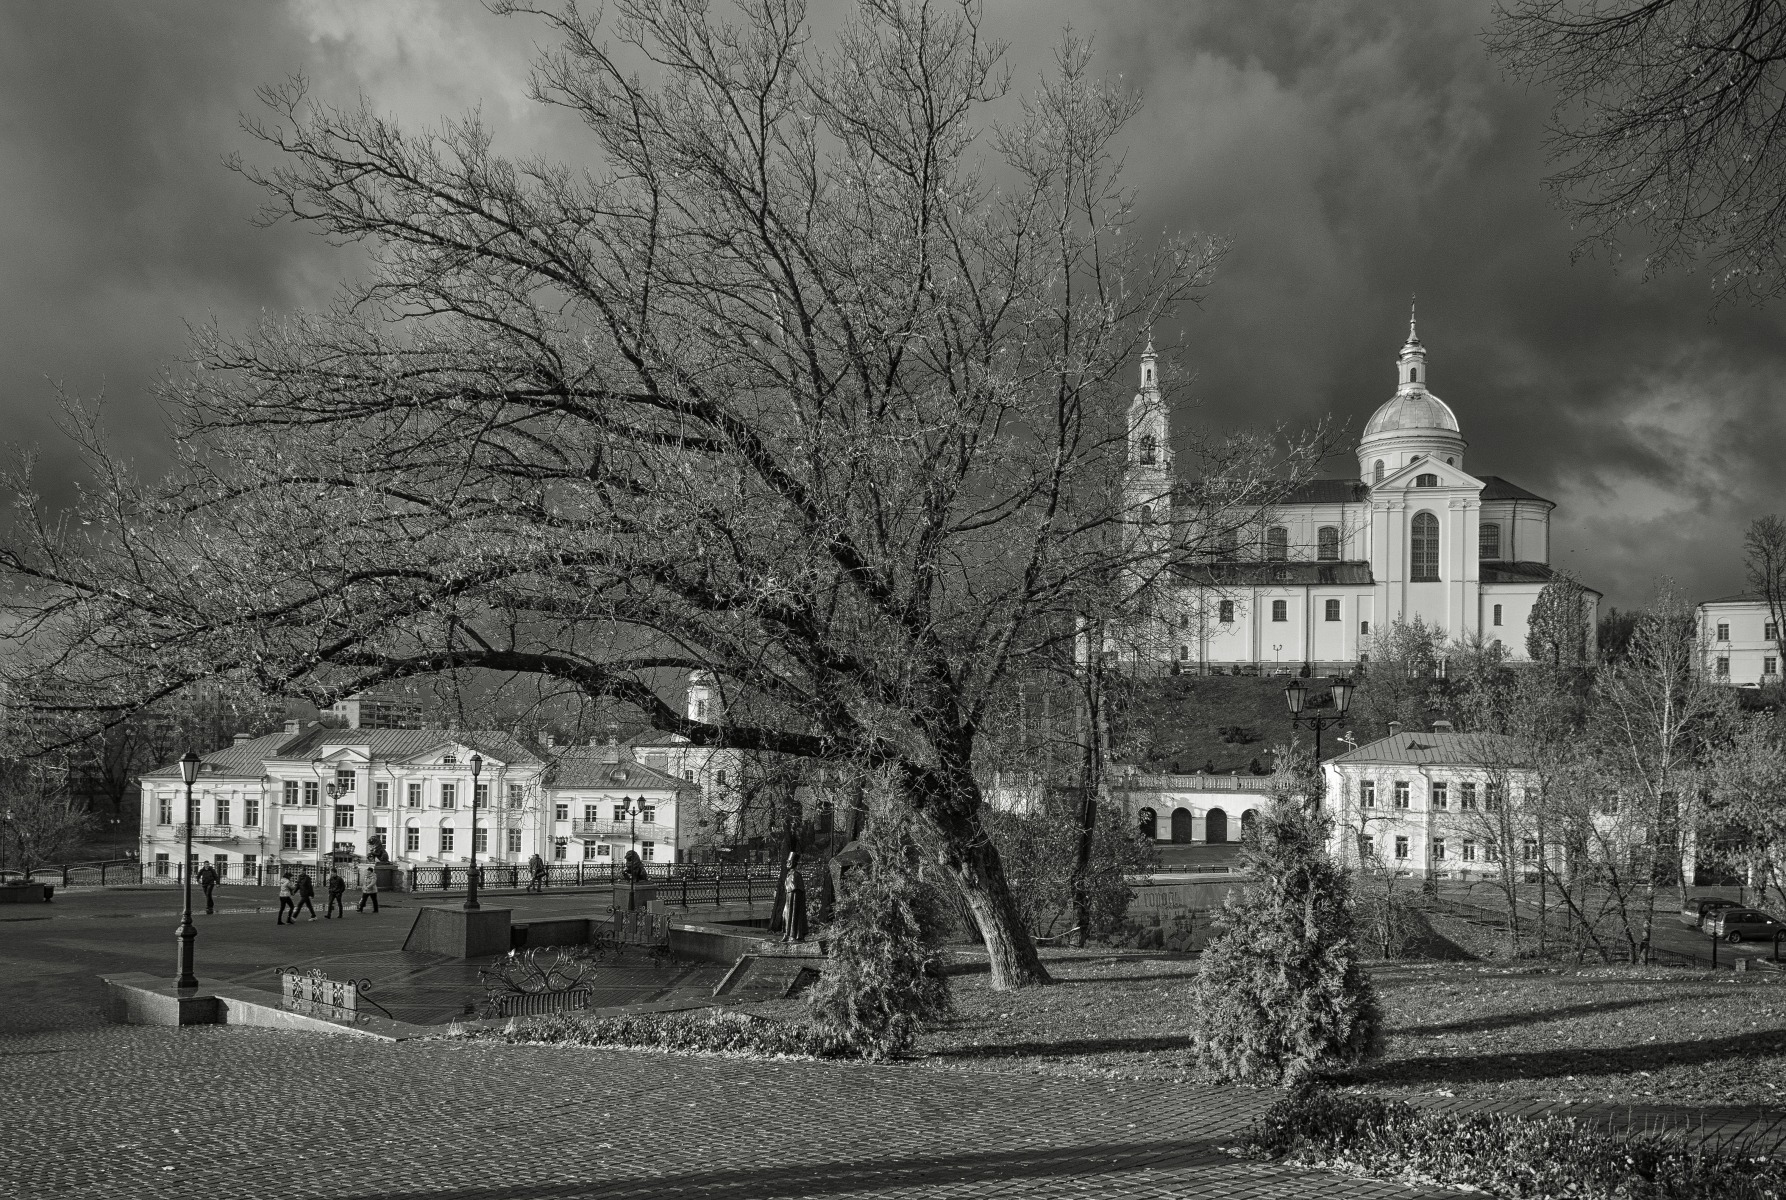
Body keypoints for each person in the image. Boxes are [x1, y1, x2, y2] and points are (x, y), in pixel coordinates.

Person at [781, 853, 808, 943]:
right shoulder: (789, 874)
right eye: (787, 861)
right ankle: (787, 934)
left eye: (789, 862)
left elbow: (799, 890)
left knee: (792, 915)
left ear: (793, 863)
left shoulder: (796, 875)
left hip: (794, 899)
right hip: (789, 898)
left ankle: (794, 935)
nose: (787, 863)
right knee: (785, 915)